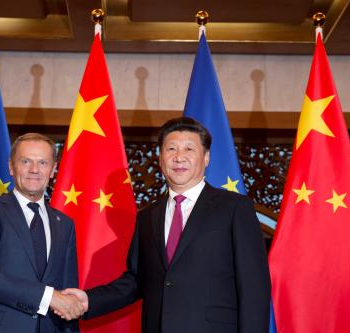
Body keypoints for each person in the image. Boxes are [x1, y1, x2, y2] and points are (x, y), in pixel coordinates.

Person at [62, 117, 271, 332]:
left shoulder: (234, 209)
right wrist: (88, 300)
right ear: (161, 158)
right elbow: (136, 281)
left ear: (206, 157)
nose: (179, 157)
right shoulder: (147, 217)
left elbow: (254, 287)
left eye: (189, 149)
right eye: (171, 149)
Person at [0, 133, 84, 333]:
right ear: (11, 167)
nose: (34, 170)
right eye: (26, 161)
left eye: (43, 163)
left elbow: (66, 292)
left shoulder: (65, 224)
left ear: (53, 170)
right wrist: (48, 296)